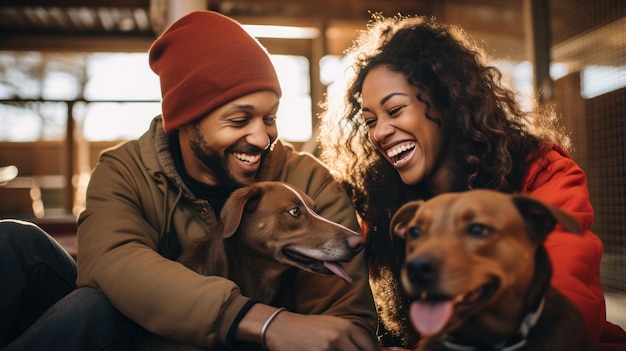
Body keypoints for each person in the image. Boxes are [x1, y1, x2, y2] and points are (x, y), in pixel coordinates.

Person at [0, 10, 378, 351]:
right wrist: (261, 320)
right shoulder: (123, 170)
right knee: (17, 241)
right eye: (238, 119)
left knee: (94, 305)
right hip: (139, 330)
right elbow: (111, 262)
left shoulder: (308, 180)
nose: (262, 138)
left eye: (269, 117)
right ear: (185, 119)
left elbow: (344, 316)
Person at [318, 14, 626, 351]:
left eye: (395, 110)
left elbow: (566, 290)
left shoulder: (542, 172)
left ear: (446, 101)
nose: (379, 132)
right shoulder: (384, 203)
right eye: (370, 121)